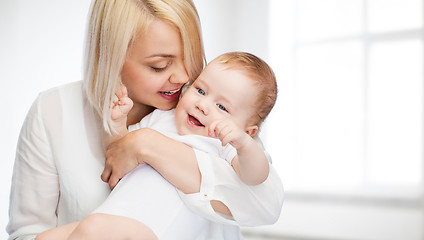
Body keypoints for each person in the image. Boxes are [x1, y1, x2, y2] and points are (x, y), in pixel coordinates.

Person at [7, 0, 284, 239]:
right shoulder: (53, 110)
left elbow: (264, 202)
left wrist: (147, 145)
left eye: (190, 57)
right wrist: (122, 130)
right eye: (159, 66)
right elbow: (117, 153)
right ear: (111, 57)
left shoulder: (222, 122)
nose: (184, 77)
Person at [36, 51, 277, 240]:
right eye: (201, 90)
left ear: (249, 131)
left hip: (150, 225)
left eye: (222, 107)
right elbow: (120, 153)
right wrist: (117, 123)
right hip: (115, 212)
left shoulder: (225, 145)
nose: (203, 105)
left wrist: (244, 144)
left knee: (94, 228)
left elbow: (255, 177)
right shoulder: (162, 118)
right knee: (46, 237)